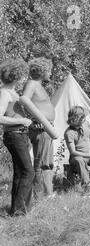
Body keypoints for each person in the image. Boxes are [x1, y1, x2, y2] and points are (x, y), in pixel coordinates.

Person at [0, 59, 34, 216]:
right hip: (14, 135)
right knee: (28, 171)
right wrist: (22, 121)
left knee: (21, 172)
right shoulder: (4, 93)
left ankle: (16, 210)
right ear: (15, 75)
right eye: (22, 76)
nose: (23, 79)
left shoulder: (14, 93)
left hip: (20, 135)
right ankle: (20, 212)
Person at [19, 57, 55, 198]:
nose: (50, 74)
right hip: (40, 129)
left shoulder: (39, 86)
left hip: (47, 129)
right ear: (42, 71)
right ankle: (42, 195)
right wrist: (34, 120)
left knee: (48, 163)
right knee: (42, 164)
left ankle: (47, 193)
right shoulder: (32, 84)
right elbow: (24, 101)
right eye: (49, 71)